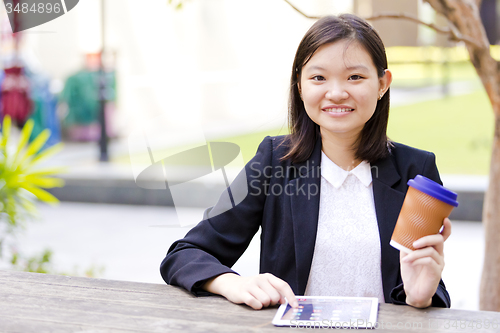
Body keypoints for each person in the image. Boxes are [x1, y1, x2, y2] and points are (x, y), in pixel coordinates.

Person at [160, 14, 451, 311]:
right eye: (318, 77)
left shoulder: (416, 171)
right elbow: (185, 254)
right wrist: (233, 282)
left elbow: (424, 279)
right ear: (300, 86)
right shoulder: (274, 162)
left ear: (382, 83)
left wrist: (420, 297)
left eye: (355, 77)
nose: (336, 93)